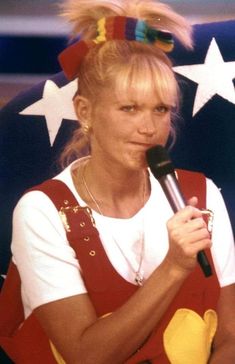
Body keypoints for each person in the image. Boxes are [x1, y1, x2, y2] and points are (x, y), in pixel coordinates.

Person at [5, 0, 235, 363]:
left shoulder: (201, 195)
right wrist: (174, 267)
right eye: (129, 108)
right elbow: (85, 356)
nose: (149, 129)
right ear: (85, 112)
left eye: (160, 109)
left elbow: (230, 339)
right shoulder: (41, 211)